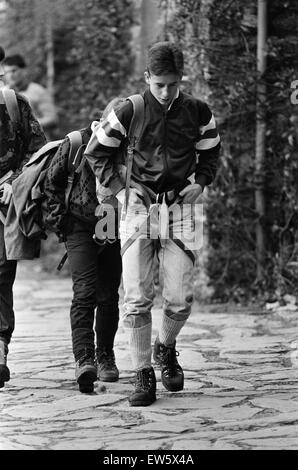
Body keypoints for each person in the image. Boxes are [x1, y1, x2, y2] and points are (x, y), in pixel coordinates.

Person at [84, 41, 220, 406]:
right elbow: (96, 153)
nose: (165, 91)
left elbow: (211, 152)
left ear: (180, 80)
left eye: (172, 84)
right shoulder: (129, 110)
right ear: (147, 78)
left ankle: (166, 346)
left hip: (181, 208)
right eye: (159, 83)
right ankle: (143, 373)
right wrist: (119, 190)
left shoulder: (198, 111)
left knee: (180, 298)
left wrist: (200, 183)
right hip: (136, 209)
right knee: (136, 298)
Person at [43, 124, 122, 393]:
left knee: (109, 294)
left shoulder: (127, 144)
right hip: (78, 224)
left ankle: (105, 356)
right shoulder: (76, 142)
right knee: (85, 291)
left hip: (111, 222)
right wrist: (61, 224)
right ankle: (84, 358)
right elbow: (51, 183)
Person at [0, 46, 46, 388]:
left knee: (1, 276)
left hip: (5, 210)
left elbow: (38, 153)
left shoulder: (15, 105)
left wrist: (14, 182)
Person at [3, 54, 57, 140]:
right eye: (7, 72)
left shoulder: (39, 91)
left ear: (24, 70)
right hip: (10, 148)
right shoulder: (2, 93)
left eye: (13, 71)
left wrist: (27, 125)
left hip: (38, 146)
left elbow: (52, 119)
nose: (10, 75)